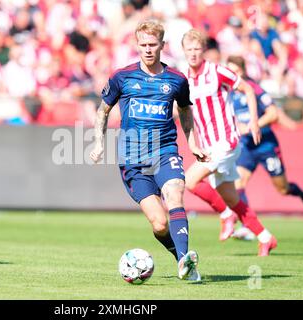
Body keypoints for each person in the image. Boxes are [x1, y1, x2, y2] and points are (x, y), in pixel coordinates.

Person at [90, 20, 202, 281]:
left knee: (175, 195)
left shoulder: (176, 80)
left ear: (162, 45)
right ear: (136, 45)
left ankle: (186, 260)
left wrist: (192, 143)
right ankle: (181, 259)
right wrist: (99, 142)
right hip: (133, 160)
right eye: (143, 45)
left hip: (165, 151)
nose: (148, 49)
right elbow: (103, 110)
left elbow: (185, 110)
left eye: (153, 45)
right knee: (160, 223)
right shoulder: (122, 77)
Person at [181, 29, 277, 256]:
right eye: (189, 50)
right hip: (209, 145)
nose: (193, 54)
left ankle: (225, 215)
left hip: (226, 141)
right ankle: (265, 237)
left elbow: (247, 89)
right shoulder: (183, 79)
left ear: (203, 50)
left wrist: (254, 120)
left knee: (190, 181)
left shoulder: (217, 72)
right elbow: (184, 110)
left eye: (197, 49)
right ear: (183, 51)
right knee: (232, 198)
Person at [225, 55, 303, 239]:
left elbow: (273, 113)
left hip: (266, 144)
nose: (231, 75)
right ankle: (248, 225)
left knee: (282, 189)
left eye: (234, 71)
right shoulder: (229, 92)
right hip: (247, 146)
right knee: (239, 183)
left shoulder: (255, 89)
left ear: (242, 71)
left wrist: (254, 125)